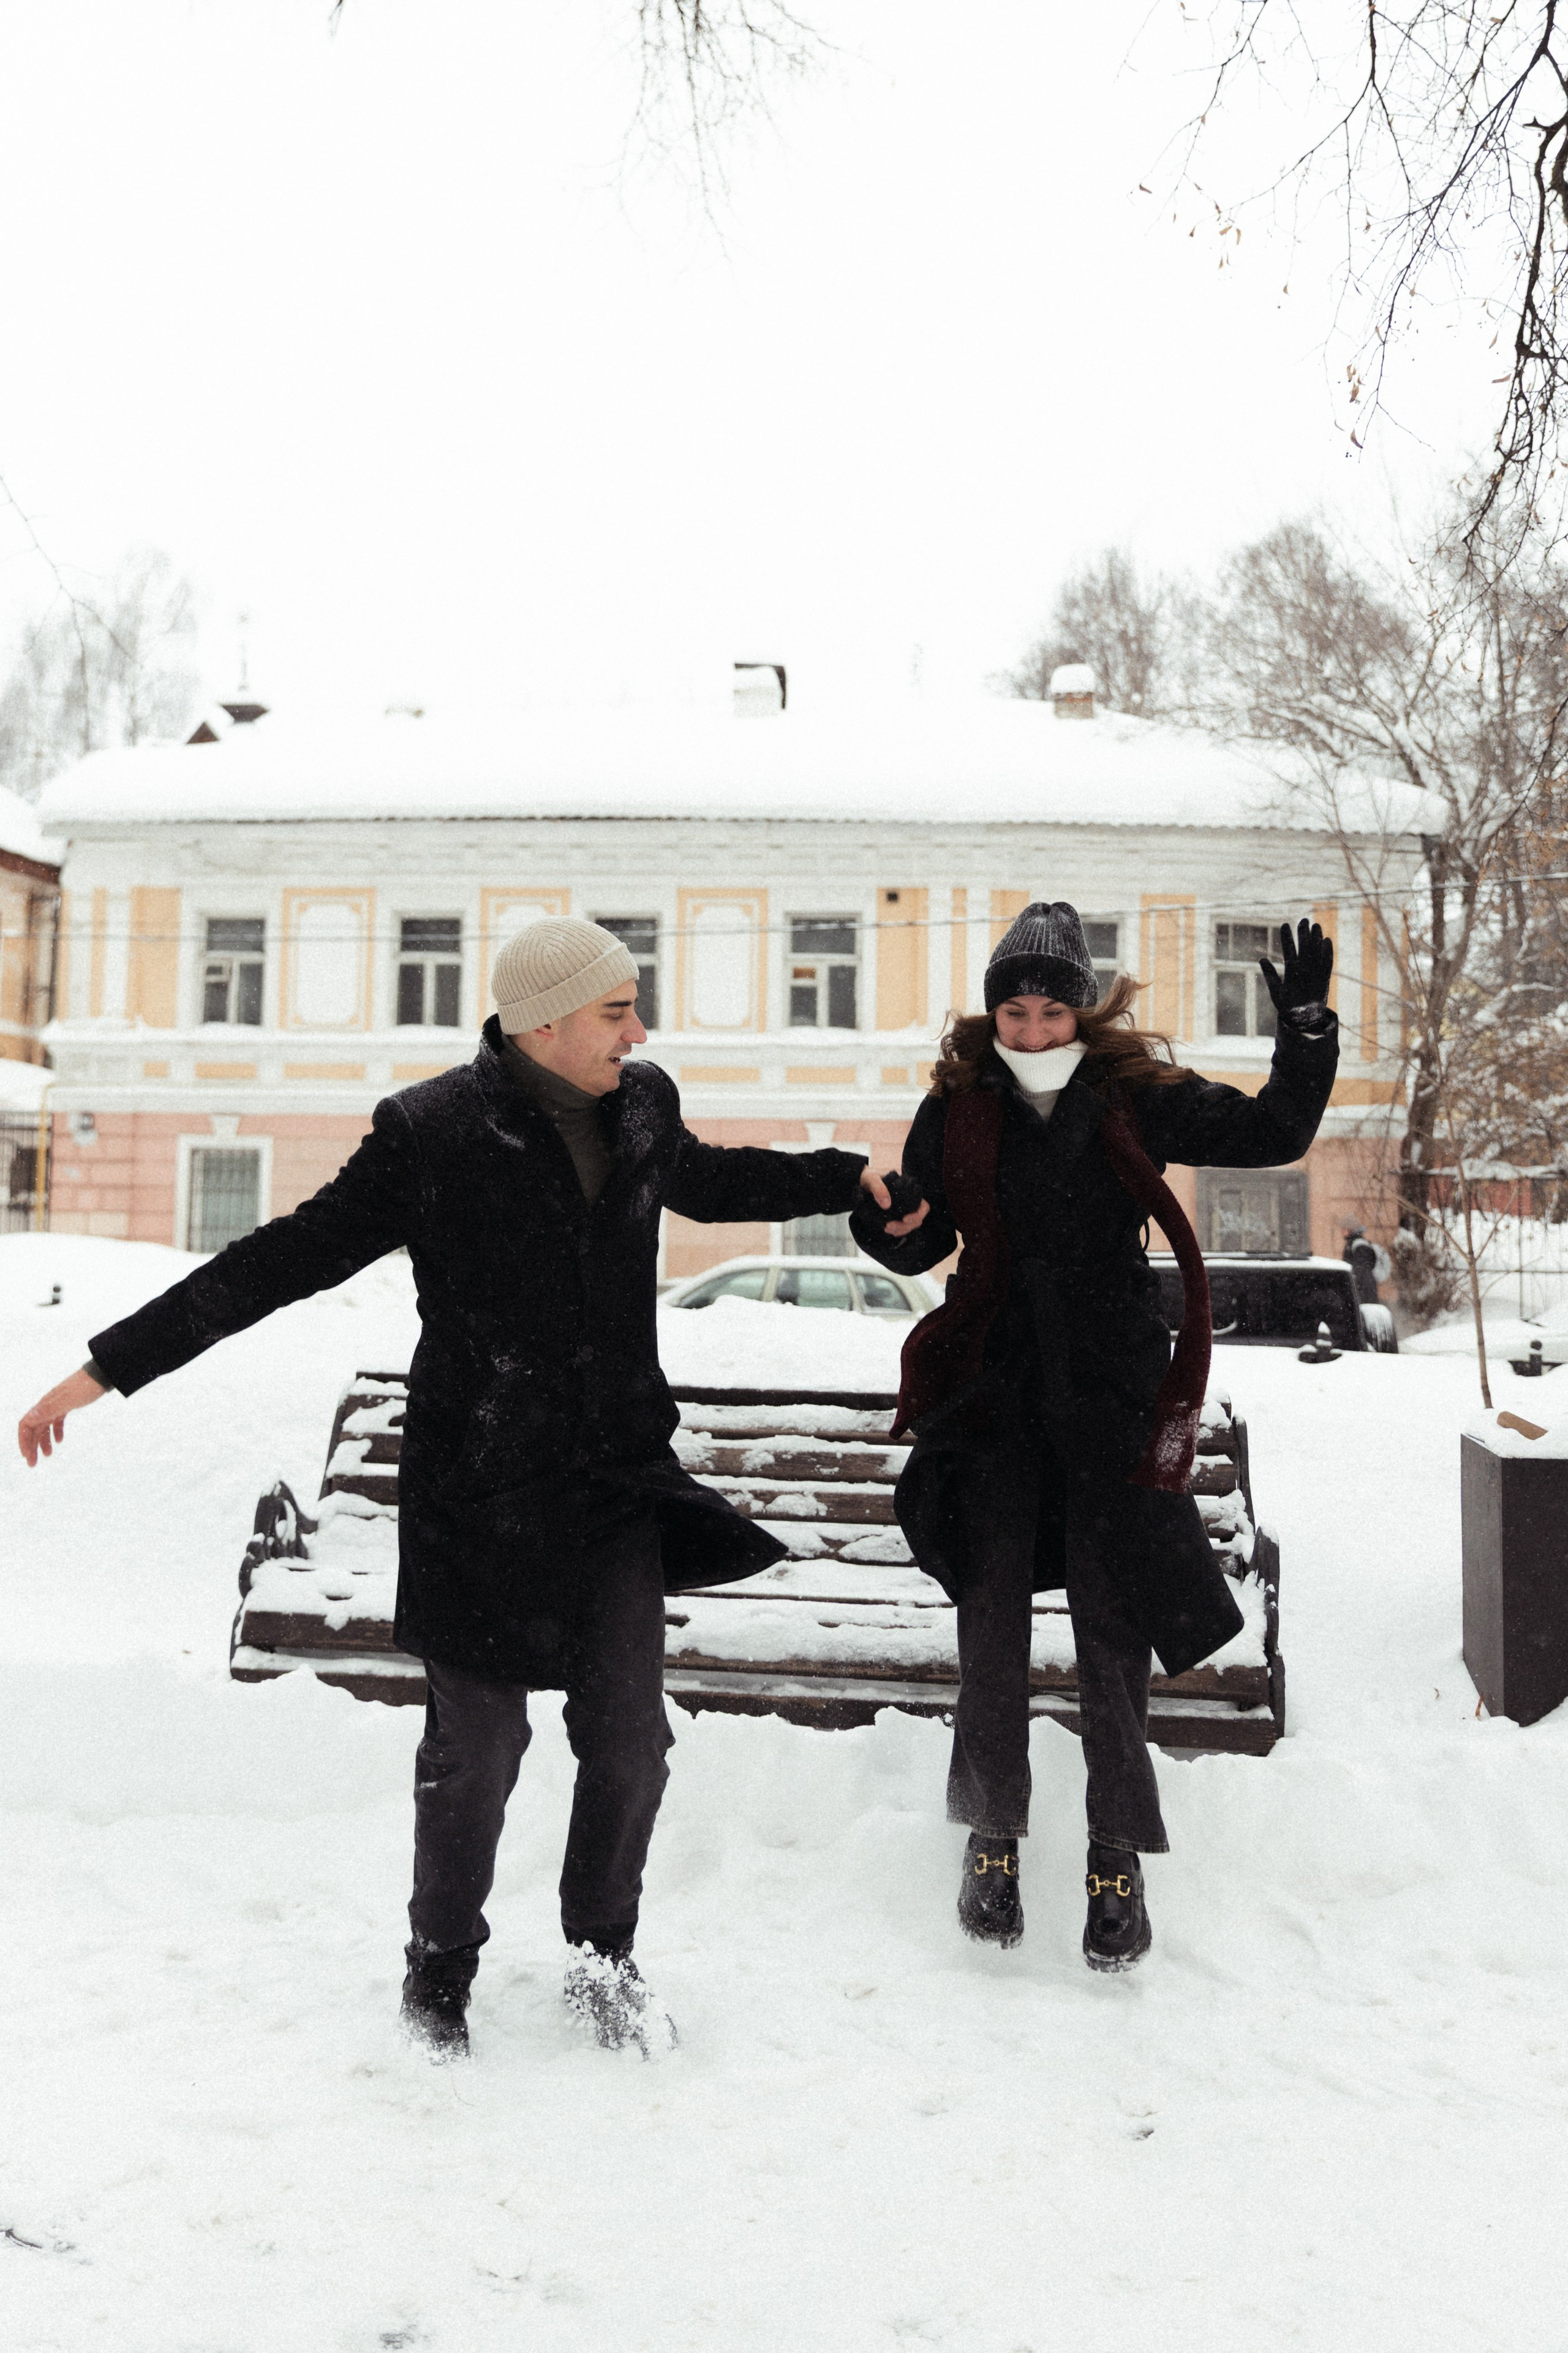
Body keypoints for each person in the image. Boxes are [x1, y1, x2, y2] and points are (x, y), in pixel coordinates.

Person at [18, 918, 926, 2058]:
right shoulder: (431, 1133)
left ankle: (603, 1952)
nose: (637, 1030)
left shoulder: (640, 1105)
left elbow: (710, 1178)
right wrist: (106, 1367)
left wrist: (847, 1176)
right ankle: (439, 1969)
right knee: (478, 1750)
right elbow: (281, 1259)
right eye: (615, 1011)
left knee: (631, 1741)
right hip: (481, 1491)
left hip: (612, 1482)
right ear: (543, 1019)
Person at [851, 901, 1336, 1970]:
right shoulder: (959, 1105)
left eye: (1050, 1009)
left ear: (1083, 1009)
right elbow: (925, 1228)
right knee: (992, 1617)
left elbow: (1271, 1133)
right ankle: (992, 1833)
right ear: (994, 1016)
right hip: (992, 1386)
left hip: (1109, 1383)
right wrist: (888, 1226)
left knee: (1113, 1628)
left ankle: (1117, 1853)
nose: (1031, 1029)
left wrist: (1304, 1032)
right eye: (1013, 1012)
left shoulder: (1132, 1095)